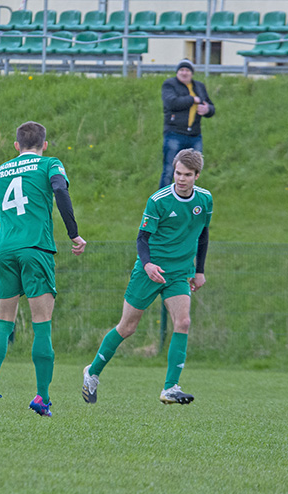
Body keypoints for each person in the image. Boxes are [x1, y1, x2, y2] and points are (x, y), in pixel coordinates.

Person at [0, 121, 86, 417]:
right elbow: (60, 191)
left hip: (6, 250)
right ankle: (42, 397)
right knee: (41, 323)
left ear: (16, 146)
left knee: (3, 322)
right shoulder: (50, 164)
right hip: (36, 249)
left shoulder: (0, 171)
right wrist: (73, 233)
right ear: (44, 145)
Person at [82, 149, 212, 406]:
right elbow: (142, 238)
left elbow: (203, 234)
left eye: (187, 174)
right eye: (177, 173)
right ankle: (92, 372)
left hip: (179, 273)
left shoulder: (205, 199)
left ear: (197, 175)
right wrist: (149, 264)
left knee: (183, 322)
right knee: (127, 327)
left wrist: (199, 270)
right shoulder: (159, 200)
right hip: (149, 271)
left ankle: (170, 387)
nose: (181, 179)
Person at [160, 59, 215, 188]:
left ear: (192, 73)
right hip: (175, 133)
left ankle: (189, 200)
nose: (184, 73)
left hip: (194, 135)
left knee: (193, 170)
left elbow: (210, 106)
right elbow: (171, 103)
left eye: (187, 70)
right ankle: (162, 202)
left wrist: (207, 109)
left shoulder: (199, 87)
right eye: (181, 70)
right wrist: (192, 99)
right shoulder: (169, 85)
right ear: (177, 72)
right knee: (169, 170)